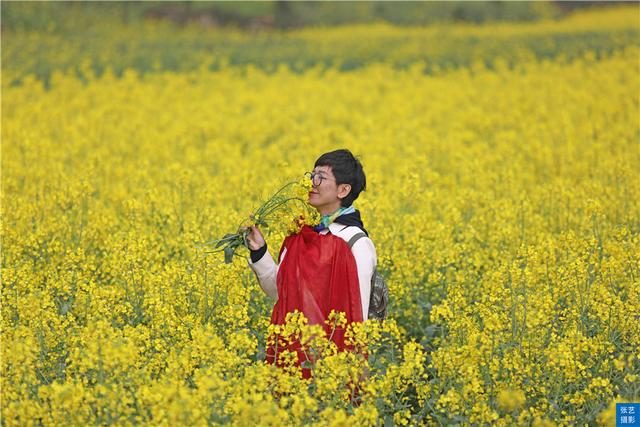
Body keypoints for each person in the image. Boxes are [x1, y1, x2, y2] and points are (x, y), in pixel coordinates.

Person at [246, 149, 377, 376]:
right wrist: (259, 252)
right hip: (293, 355)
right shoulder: (302, 235)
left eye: (321, 177)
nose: (311, 183)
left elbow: (359, 315)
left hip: (332, 363)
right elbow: (281, 291)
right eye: (311, 175)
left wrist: (348, 373)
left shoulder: (355, 242)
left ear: (343, 190)